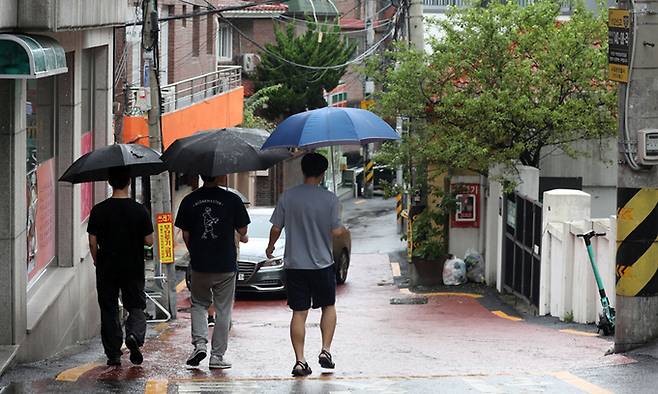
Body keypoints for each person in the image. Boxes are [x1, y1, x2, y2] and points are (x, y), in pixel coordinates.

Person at [266, 152, 348, 377]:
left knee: (299, 313)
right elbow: (336, 231)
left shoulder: (288, 197)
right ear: (322, 173)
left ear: (303, 170)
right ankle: (325, 350)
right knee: (328, 306)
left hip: (295, 265)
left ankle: (300, 361)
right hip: (322, 264)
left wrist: (270, 247)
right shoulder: (330, 199)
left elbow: (276, 227)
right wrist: (343, 227)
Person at [175, 174, 250, 369]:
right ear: (220, 175)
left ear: (200, 175)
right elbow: (243, 231)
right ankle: (217, 356)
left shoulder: (189, 200)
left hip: (200, 264)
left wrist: (195, 252)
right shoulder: (232, 199)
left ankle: (199, 344)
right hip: (225, 264)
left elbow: (185, 233)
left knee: (199, 304)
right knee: (223, 309)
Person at [87, 166, 154, 367]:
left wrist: (97, 259)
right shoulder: (139, 210)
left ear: (109, 182)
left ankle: (113, 354)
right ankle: (133, 335)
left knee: (108, 309)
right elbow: (149, 241)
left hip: (107, 266)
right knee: (135, 306)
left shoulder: (99, 210)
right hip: (133, 267)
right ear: (129, 182)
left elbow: (92, 241)